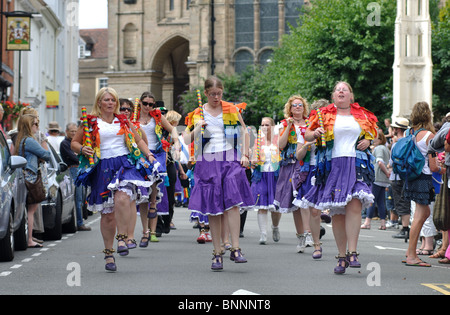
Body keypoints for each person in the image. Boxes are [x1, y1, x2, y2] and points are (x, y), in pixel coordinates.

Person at [71, 87, 161, 272]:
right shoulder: (90, 122)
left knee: (122, 197)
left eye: (113, 100)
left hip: (124, 164)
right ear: (99, 103)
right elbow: (74, 142)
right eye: (106, 100)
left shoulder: (124, 120)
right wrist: (82, 149)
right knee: (108, 215)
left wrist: (149, 155)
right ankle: (109, 252)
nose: (110, 103)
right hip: (103, 167)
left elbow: (139, 140)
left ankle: (122, 238)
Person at [303, 81, 378, 274]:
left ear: (351, 96)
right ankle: (341, 255)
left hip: (356, 163)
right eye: (338, 89)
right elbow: (308, 135)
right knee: (337, 213)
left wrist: (369, 139)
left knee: (354, 205)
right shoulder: (322, 114)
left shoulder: (362, 114)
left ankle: (353, 252)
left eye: (345, 89)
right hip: (333, 164)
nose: (341, 91)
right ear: (333, 96)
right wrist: (316, 132)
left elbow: (374, 132)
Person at [184, 76, 254, 271]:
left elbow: (245, 132)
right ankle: (217, 253)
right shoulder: (198, 113)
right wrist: (198, 128)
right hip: (207, 160)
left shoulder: (231, 109)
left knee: (232, 203)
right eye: (212, 94)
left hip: (229, 157)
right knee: (214, 208)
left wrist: (246, 155)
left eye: (219, 94)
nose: (216, 97)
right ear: (206, 93)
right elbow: (186, 138)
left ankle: (235, 248)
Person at [403, 102, 445, 267]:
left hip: (412, 176)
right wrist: (442, 169)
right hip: (424, 178)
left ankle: (410, 252)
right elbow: (433, 166)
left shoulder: (409, 132)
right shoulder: (430, 136)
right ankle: (411, 255)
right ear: (428, 116)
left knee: (423, 213)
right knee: (420, 216)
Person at [136, 92, 179, 245]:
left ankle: (152, 232)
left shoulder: (157, 117)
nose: (148, 107)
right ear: (140, 103)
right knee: (143, 197)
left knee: (153, 196)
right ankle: (144, 231)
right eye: (145, 103)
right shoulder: (133, 118)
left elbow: (173, 129)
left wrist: (175, 142)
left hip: (156, 156)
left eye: (151, 104)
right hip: (139, 157)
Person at [274, 95, 309, 251]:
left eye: (300, 105)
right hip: (290, 164)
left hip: (307, 164)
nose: (297, 107)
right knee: (295, 203)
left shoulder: (310, 122)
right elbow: (281, 145)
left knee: (305, 200)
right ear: (290, 108)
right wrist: (288, 127)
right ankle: (301, 236)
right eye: (294, 105)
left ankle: (308, 233)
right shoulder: (284, 124)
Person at [15, 114, 52, 248]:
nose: (37, 126)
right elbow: (46, 155)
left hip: (23, 176)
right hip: (31, 177)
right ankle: (29, 239)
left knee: (26, 210)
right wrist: (43, 145)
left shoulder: (20, 139)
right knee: (31, 210)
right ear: (29, 126)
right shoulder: (30, 140)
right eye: (35, 124)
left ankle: (28, 237)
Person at [118, 98, 148, 249]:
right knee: (115, 205)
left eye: (128, 109)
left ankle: (129, 237)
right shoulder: (110, 126)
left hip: (131, 167)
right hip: (113, 166)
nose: (126, 111)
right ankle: (120, 236)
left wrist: (146, 156)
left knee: (130, 201)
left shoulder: (135, 127)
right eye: (122, 109)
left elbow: (144, 144)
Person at [250, 117, 280, 245]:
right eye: (262, 124)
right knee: (262, 205)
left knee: (275, 207)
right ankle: (263, 234)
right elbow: (252, 158)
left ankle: (275, 227)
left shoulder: (278, 140)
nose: (264, 127)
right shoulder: (257, 141)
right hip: (261, 175)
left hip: (275, 174)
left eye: (267, 124)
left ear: (272, 126)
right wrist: (253, 161)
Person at [60, 122, 91, 231]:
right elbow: (75, 158)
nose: (73, 133)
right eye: (71, 131)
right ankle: (79, 223)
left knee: (82, 197)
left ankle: (81, 220)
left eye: (75, 131)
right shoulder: (65, 143)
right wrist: (82, 155)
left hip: (80, 169)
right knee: (77, 197)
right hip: (73, 169)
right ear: (66, 132)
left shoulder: (77, 142)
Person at [427, 113, 450, 260]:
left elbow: (441, 145)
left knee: (446, 211)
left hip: (446, 170)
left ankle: (445, 250)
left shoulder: (447, 127)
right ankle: (444, 249)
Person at [361, 132, 390, 230]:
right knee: (381, 201)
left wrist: (386, 172)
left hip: (378, 176)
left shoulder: (379, 148)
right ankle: (383, 223)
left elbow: (380, 161)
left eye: (376, 138)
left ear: (380, 140)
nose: (373, 139)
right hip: (384, 179)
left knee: (371, 200)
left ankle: (367, 222)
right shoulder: (386, 148)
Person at [388, 117, 412, 239]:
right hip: (408, 176)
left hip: (397, 176)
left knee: (400, 203)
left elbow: (391, 163)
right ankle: (407, 228)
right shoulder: (411, 141)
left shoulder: (396, 144)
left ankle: (405, 228)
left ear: (397, 129)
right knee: (408, 202)